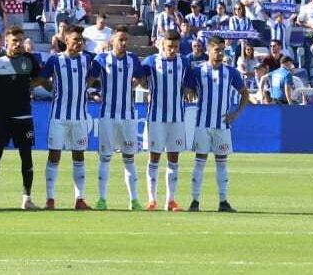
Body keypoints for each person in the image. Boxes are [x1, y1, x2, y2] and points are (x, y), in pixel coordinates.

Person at [0, 24, 47, 210]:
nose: (18, 44)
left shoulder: (30, 60)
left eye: (20, 41)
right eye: (14, 41)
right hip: (0, 117)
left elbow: (39, 79)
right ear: (6, 41)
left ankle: (27, 199)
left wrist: (27, 86)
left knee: (26, 157)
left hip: (23, 116)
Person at [188, 36, 249, 212]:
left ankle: (223, 201)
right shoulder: (198, 71)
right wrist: (187, 92)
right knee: (199, 163)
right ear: (209, 50)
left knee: (222, 163)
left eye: (222, 50)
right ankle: (194, 201)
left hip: (222, 125)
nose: (220, 53)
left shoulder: (231, 72)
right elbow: (187, 88)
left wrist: (237, 112)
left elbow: (244, 93)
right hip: (202, 124)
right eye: (217, 50)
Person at [43, 25, 98, 210]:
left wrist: (86, 85)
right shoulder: (55, 60)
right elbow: (42, 78)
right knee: (54, 155)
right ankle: (50, 199)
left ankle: (79, 199)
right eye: (75, 40)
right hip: (59, 116)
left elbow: (95, 74)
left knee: (79, 156)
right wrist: (53, 89)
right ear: (66, 40)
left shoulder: (88, 59)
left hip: (80, 117)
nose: (79, 43)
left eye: (81, 40)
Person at [94, 26, 144, 210]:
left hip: (128, 116)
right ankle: (102, 199)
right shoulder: (101, 59)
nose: (123, 43)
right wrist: (93, 93)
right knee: (105, 157)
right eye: (120, 39)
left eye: (126, 40)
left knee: (129, 158)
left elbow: (140, 77)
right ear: (112, 40)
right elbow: (90, 79)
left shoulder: (133, 59)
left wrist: (131, 85)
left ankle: (134, 200)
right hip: (107, 115)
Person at [142, 29, 193, 211]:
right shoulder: (150, 61)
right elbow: (141, 81)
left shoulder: (184, 62)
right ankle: (152, 200)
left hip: (177, 117)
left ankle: (170, 200)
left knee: (174, 158)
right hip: (156, 117)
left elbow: (188, 86)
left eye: (176, 47)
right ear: (162, 44)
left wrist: (188, 93)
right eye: (169, 46)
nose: (172, 50)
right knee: (154, 157)